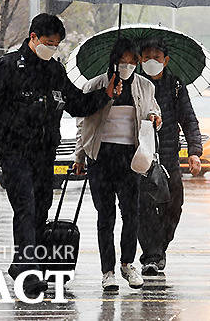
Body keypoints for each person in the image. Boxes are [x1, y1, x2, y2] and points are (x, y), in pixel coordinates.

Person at [0, 13, 120, 298]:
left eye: (56, 45)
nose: (52, 49)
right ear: (33, 38)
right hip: (14, 151)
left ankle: (21, 262)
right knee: (25, 205)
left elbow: (77, 103)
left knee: (40, 210)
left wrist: (105, 94)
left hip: (44, 154)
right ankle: (29, 274)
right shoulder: (6, 68)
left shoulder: (55, 72)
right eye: (48, 43)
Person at [72, 38, 162, 292]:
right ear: (114, 60)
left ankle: (127, 263)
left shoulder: (145, 86)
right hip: (101, 156)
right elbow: (84, 123)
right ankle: (107, 271)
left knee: (131, 213)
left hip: (131, 158)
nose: (127, 66)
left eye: (132, 62)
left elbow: (153, 112)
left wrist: (156, 118)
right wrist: (79, 157)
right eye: (122, 61)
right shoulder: (97, 84)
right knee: (106, 216)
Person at [137, 37, 202, 276]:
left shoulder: (175, 85)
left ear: (166, 60)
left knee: (173, 205)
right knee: (143, 207)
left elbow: (189, 118)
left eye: (156, 57)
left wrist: (194, 152)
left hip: (169, 157)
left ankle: (160, 247)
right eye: (146, 58)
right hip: (141, 157)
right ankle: (151, 257)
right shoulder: (134, 83)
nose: (151, 62)